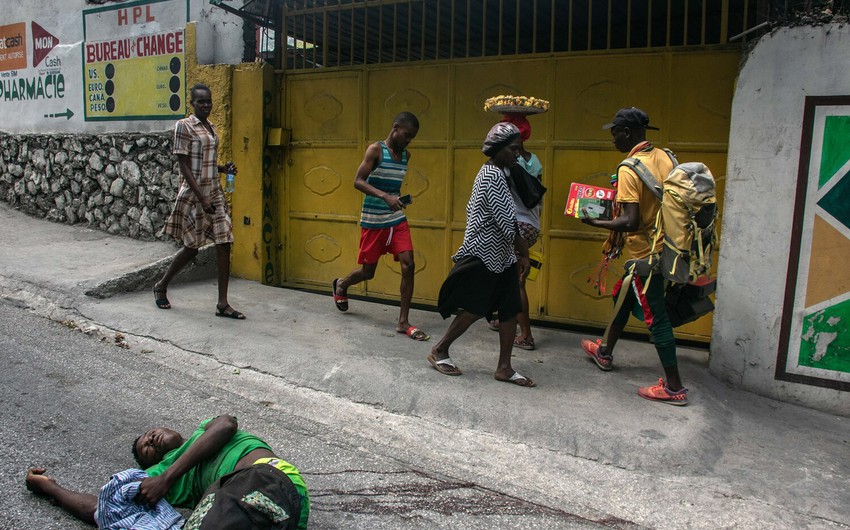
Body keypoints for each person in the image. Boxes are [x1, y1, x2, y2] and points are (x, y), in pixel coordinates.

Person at [25, 415, 310, 529]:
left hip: (268, 480)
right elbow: (105, 507)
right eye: (147, 448)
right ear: (151, 464)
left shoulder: (204, 431)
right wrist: (50, 488)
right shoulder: (158, 476)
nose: (151, 440)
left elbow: (227, 425)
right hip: (285, 515)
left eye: (150, 434)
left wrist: (167, 477)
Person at [579, 107, 688, 406]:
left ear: (626, 133)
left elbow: (630, 221)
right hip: (669, 247)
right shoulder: (665, 156)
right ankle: (604, 351)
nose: (613, 138)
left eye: (614, 132)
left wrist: (595, 222)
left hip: (646, 255)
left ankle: (674, 387)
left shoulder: (629, 168)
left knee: (656, 318)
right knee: (623, 294)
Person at [427, 122, 535, 387]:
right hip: (484, 253)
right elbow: (507, 221)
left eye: (519, 149)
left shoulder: (503, 172)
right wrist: (524, 253)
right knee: (475, 307)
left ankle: (504, 368)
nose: (517, 154)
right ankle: (440, 349)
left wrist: (517, 253)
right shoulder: (492, 176)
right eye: (513, 149)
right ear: (497, 149)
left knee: (510, 308)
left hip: (502, 255)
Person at [332, 112, 429, 340]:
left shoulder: (406, 156)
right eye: (407, 135)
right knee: (368, 272)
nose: (408, 141)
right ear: (395, 128)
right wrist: (385, 196)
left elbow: (392, 185)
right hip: (373, 220)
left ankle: (403, 321)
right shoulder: (375, 150)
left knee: (409, 264)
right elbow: (358, 181)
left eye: (412, 138)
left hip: (395, 220)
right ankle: (342, 284)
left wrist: (396, 200)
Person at [153, 83, 245, 320]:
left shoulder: (211, 128)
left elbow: (204, 162)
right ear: (192, 103)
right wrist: (201, 197)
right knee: (192, 249)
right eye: (201, 101)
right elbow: (184, 165)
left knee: (225, 242)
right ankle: (161, 285)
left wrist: (223, 168)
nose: (206, 105)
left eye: (209, 101)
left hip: (214, 191)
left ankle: (223, 303)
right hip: (195, 194)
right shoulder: (183, 126)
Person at [487, 113, 543, 351]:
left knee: (515, 280)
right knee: (507, 274)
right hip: (532, 224)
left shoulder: (508, 162)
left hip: (517, 225)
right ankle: (505, 317)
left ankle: (526, 335)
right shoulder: (535, 160)